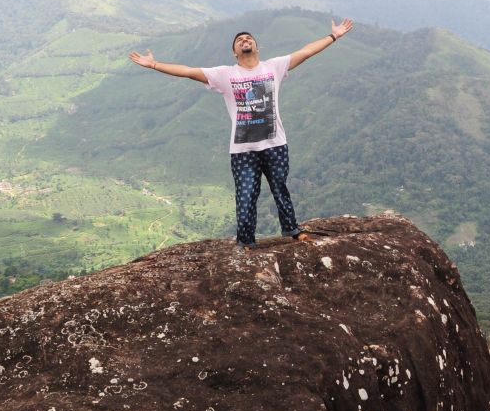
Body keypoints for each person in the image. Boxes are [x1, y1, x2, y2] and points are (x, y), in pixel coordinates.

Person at [129, 18, 353, 246]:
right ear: (235, 52)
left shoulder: (273, 67)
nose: (244, 40)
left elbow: (306, 52)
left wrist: (333, 36)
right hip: (243, 150)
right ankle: (246, 243)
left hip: (275, 144)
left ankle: (293, 231)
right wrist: (155, 65)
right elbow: (187, 71)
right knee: (246, 197)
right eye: (239, 40)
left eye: (249, 38)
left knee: (280, 189)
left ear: (257, 47)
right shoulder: (225, 74)